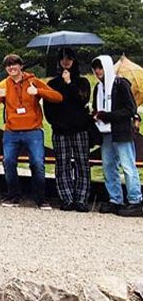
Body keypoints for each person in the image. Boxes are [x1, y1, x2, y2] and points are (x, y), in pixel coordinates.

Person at [0, 54, 62, 209]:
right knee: (9, 162)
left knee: (37, 163)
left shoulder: (33, 81)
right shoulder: (3, 85)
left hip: (33, 130)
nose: (12, 68)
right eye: (8, 66)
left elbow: (58, 97)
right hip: (12, 131)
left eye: (14, 65)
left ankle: (41, 198)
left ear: (21, 66)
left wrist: (39, 91)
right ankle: (13, 196)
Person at [91, 56, 143, 217]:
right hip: (105, 132)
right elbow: (96, 107)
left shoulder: (120, 84)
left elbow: (130, 109)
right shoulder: (98, 88)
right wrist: (96, 115)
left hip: (121, 131)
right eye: (95, 68)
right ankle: (115, 199)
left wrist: (108, 116)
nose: (98, 71)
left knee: (127, 166)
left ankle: (135, 200)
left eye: (100, 67)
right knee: (108, 166)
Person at [43, 48, 93, 212]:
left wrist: (69, 83)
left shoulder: (83, 82)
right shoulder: (52, 84)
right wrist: (55, 123)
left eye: (69, 59)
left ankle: (81, 198)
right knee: (62, 165)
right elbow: (48, 108)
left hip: (80, 129)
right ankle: (67, 198)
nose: (66, 62)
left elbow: (82, 99)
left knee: (82, 164)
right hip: (60, 130)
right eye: (63, 59)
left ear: (74, 61)